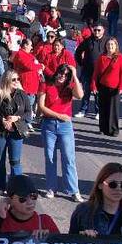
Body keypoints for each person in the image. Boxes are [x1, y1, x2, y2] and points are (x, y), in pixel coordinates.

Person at [37, 64, 85, 202]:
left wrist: (74, 74)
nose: (62, 76)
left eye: (65, 75)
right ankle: (51, 188)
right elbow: (41, 106)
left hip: (65, 127)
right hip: (49, 124)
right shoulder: (46, 84)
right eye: (60, 73)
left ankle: (74, 190)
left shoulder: (69, 87)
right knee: (50, 158)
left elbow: (80, 95)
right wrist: (58, 116)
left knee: (69, 158)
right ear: (56, 72)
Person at [0, 70, 30, 195]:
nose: (17, 82)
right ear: (6, 80)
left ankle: (17, 187)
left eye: (18, 79)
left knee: (15, 160)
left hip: (16, 132)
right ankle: (0, 186)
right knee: (0, 159)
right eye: (14, 79)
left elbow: (28, 112)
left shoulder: (22, 94)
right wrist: (2, 120)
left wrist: (17, 118)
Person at [93, 36, 122, 137]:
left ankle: (113, 129)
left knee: (113, 110)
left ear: (116, 46)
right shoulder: (101, 57)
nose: (110, 46)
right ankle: (103, 128)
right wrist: (94, 86)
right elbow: (96, 73)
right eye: (108, 44)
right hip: (103, 86)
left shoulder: (121, 58)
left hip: (115, 88)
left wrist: (121, 87)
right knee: (103, 108)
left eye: (112, 44)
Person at [73, 23, 106, 119]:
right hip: (87, 70)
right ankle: (83, 110)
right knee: (86, 91)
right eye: (95, 30)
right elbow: (78, 51)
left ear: (103, 31)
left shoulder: (106, 41)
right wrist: (81, 63)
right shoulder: (88, 41)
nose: (96, 32)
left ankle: (99, 111)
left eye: (99, 30)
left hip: (100, 72)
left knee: (98, 93)